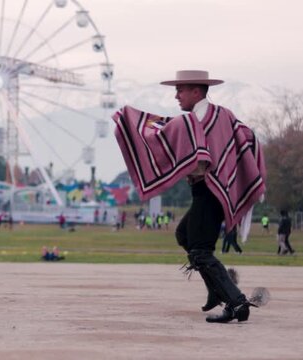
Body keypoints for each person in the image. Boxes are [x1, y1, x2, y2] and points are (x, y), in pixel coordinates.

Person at [113, 70, 266, 323]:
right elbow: (246, 136)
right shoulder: (220, 116)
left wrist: (131, 120)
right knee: (184, 235)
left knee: (200, 251)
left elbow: (163, 135)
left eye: (180, 90)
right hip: (212, 190)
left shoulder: (193, 122)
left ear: (197, 91)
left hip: (210, 192)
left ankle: (236, 303)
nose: (176, 95)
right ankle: (217, 290)